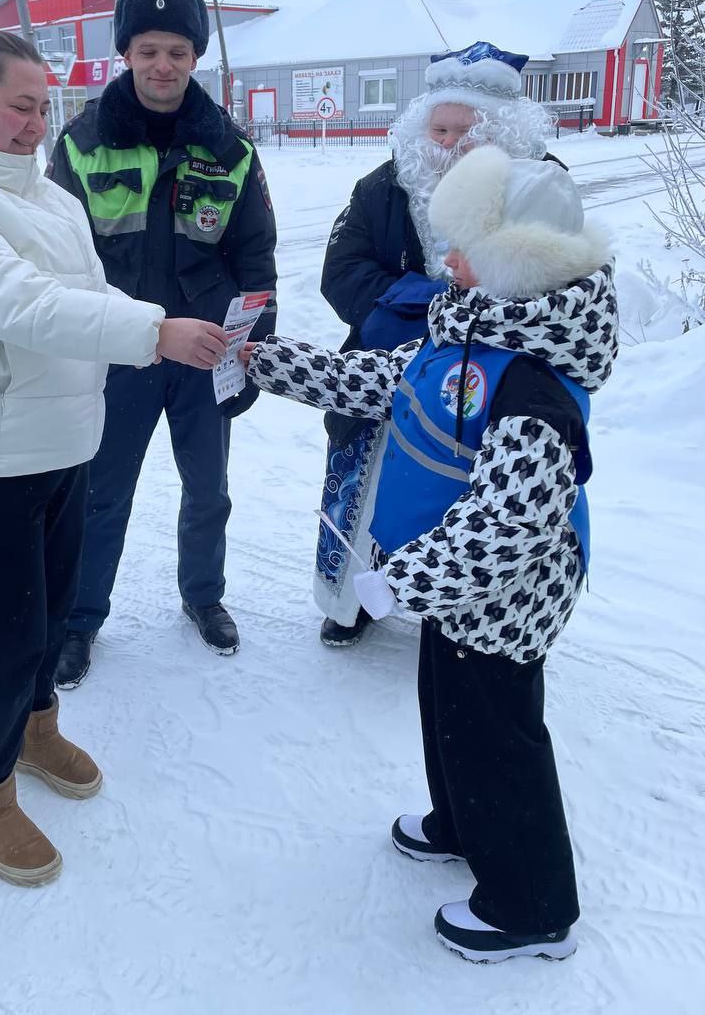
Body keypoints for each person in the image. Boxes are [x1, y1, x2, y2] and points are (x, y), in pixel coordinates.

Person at [0, 8, 226, 887]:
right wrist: (156, 332)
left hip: (60, 441)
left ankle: (36, 731)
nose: (37, 126)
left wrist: (179, 325)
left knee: (53, 612)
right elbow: (18, 304)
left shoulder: (44, 191)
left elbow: (83, 294)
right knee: (5, 639)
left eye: (45, 108)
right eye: (18, 107)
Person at [242, 144, 617, 962]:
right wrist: (261, 360)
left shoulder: (533, 384)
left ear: (513, 265)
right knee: (448, 707)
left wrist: (398, 584)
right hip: (453, 586)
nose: (444, 259)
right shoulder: (467, 336)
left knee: (498, 734)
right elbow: (379, 382)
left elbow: (509, 524)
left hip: (506, 589)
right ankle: (461, 820)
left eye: (463, 249)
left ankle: (532, 907)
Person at [48, 0, 277, 687]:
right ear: (125, 54)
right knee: (100, 494)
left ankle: (203, 596)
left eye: (178, 50)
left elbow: (256, 254)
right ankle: (80, 622)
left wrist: (250, 353)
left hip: (206, 352)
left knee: (208, 490)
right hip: (119, 351)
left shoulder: (230, 149)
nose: (163, 64)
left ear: (195, 56)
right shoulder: (82, 144)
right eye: (148, 50)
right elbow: (59, 255)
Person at [315, 41, 562, 647]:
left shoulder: (542, 187)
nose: (448, 144)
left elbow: (555, 281)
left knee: (470, 503)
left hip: (492, 384)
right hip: (384, 373)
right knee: (368, 490)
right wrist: (432, 306)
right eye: (440, 127)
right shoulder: (385, 184)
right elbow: (341, 270)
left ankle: (460, 614)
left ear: (504, 135)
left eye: (467, 131)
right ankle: (353, 601)